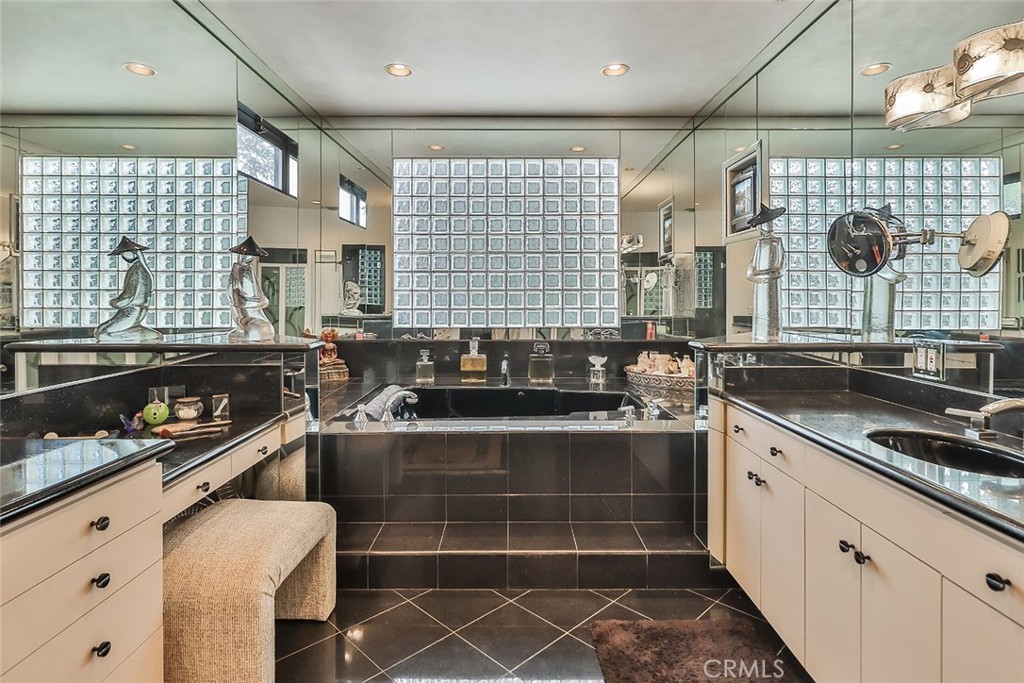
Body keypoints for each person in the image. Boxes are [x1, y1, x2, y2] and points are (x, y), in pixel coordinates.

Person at [94, 236, 162, 342]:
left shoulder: (138, 271)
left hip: (132, 309)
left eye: (124, 253)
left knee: (103, 334)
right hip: (131, 309)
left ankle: (136, 337)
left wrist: (115, 302)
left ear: (133, 252)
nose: (122, 255)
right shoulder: (137, 269)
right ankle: (144, 334)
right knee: (99, 330)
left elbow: (130, 295)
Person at [227, 236, 275, 342]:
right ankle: (246, 332)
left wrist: (261, 300)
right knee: (265, 330)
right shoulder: (242, 270)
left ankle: (245, 332)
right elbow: (241, 301)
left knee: (267, 330)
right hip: (247, 320)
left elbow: (255, 296)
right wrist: (261, 301)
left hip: (247, 319)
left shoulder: (244, 270)